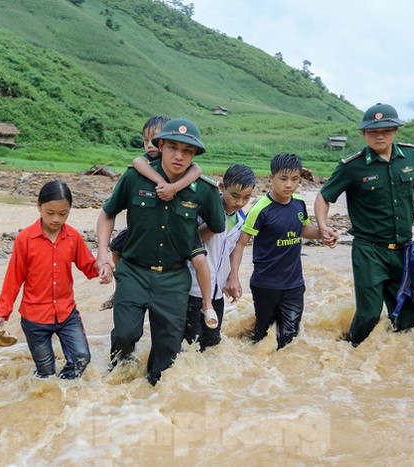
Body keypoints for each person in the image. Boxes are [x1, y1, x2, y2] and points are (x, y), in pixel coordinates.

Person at [96, 117, 226, 385]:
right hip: (132, 271)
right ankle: (119, 385)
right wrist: (102, 252)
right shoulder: (135, 178)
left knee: (167, 350)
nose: (179, 156)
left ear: (194, 154)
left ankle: (153, 395)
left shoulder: (203, 189)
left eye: (187, 151)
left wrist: (188, 240)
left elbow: (216, 225)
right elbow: (107, 214)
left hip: (174, 278)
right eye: (173, 148)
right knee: (124, 333)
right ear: (161, 145)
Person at [314, 103, 414, 346]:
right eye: (373, 131)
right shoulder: (352, 166)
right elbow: (324, 197)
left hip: (404, 251)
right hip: (369, 251)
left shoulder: (411, 156)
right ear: (364, 134)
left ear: (396, 130)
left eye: (387, 130)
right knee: (369, 314)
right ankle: (350, 350)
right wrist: (323, 226)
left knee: (407, 317)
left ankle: (391, 363)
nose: (380, 135)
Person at [0, 180, 112, 379]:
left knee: (81, 358)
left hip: (66, 314)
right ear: (39, 207)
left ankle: (65, 394)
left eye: (63, 214)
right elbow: (14, 278)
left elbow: (89, 266)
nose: (56, 219)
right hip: (34, 318)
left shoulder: (73, 237)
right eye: (49, 212)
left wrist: (104, 266)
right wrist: (2, 313)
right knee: (46, 372)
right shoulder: (25, 239)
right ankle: (48, 398)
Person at [103, 116, 215, 324]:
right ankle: (121, 288)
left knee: (199, 259)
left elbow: (197, 170)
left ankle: (207, 304)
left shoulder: (193, 174)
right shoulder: (141, 167)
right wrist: (163, 182)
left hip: (180, 239)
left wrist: (174, 188)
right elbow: (137, 164)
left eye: (154, 139)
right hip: (140, 246)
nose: (150, 145)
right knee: (118, 247)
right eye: (147, 141)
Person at [227, 153, 337, 349]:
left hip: (294, 284)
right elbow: (240, 244)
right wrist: (233, 276)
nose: (289, 185)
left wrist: (324, 233)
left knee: (290, 339)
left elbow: (303, 229)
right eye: (283, 179)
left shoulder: (299, 203)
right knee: (263, 336)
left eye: (294, 179)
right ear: (271, 178)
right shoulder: (261, 209)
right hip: (266, 285)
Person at [184, 163, 256, 351]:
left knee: (212, 343)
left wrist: (233, 277)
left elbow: (233, 250)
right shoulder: (204, 210)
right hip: (193, 289)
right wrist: (211, 228)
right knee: (189, 344)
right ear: (221, 188)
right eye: (235, 196)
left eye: (246, 197)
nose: (240, 202)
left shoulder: (240, 218)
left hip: (217, 292)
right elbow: (190, 239)